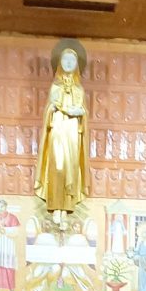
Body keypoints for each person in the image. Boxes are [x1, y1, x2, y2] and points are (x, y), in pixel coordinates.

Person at [35, 39, 90, 218]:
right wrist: (64, 109)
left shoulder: (79, 89)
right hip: (58, 129)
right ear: (59, 62)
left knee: (71, 167)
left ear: (77, 64)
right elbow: (51, 108)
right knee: (57, 166)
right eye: (65, 59)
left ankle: (67, 206)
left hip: (73, 132)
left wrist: (80, 113)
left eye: (72, 60)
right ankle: (55, 205)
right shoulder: (56, 86)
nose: (68, 63)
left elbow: (83, 111)